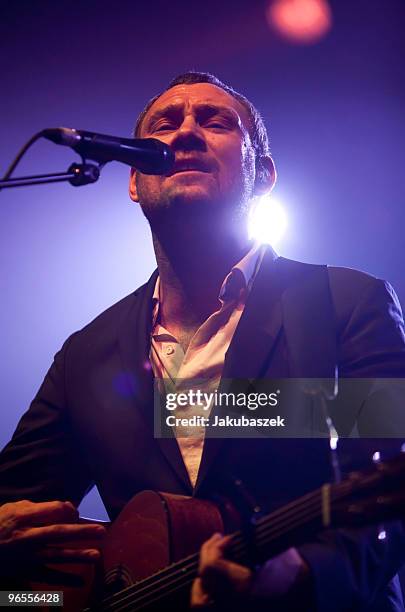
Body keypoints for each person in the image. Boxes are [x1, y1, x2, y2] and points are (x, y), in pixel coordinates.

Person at [1, 71, 405, 611]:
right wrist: (30, 595)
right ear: (132, 180)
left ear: (263, 175)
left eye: (215, 122)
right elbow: (16, 522)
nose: (185, 132)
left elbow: (388, 504)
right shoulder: (85, 356)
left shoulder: (344, 304)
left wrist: (297, 576)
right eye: (164, 124)